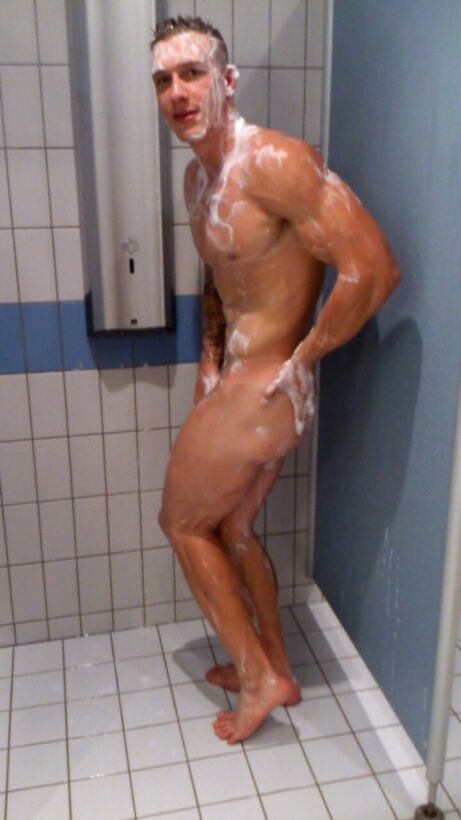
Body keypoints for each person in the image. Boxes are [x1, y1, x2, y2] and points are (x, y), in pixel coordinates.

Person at [150, 16, 401, 744]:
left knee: (181, 523)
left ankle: (256, 676)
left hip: (269, 386)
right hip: (238, 381)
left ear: (227, 81)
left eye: (192, 73)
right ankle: (278, 667)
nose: (176, 92)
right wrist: (207, 365)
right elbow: (221, 280)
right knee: (231, 527)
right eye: (163, 80)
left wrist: (303, 360)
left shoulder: (277, 162)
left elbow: (374, 269)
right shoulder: (199, 179)